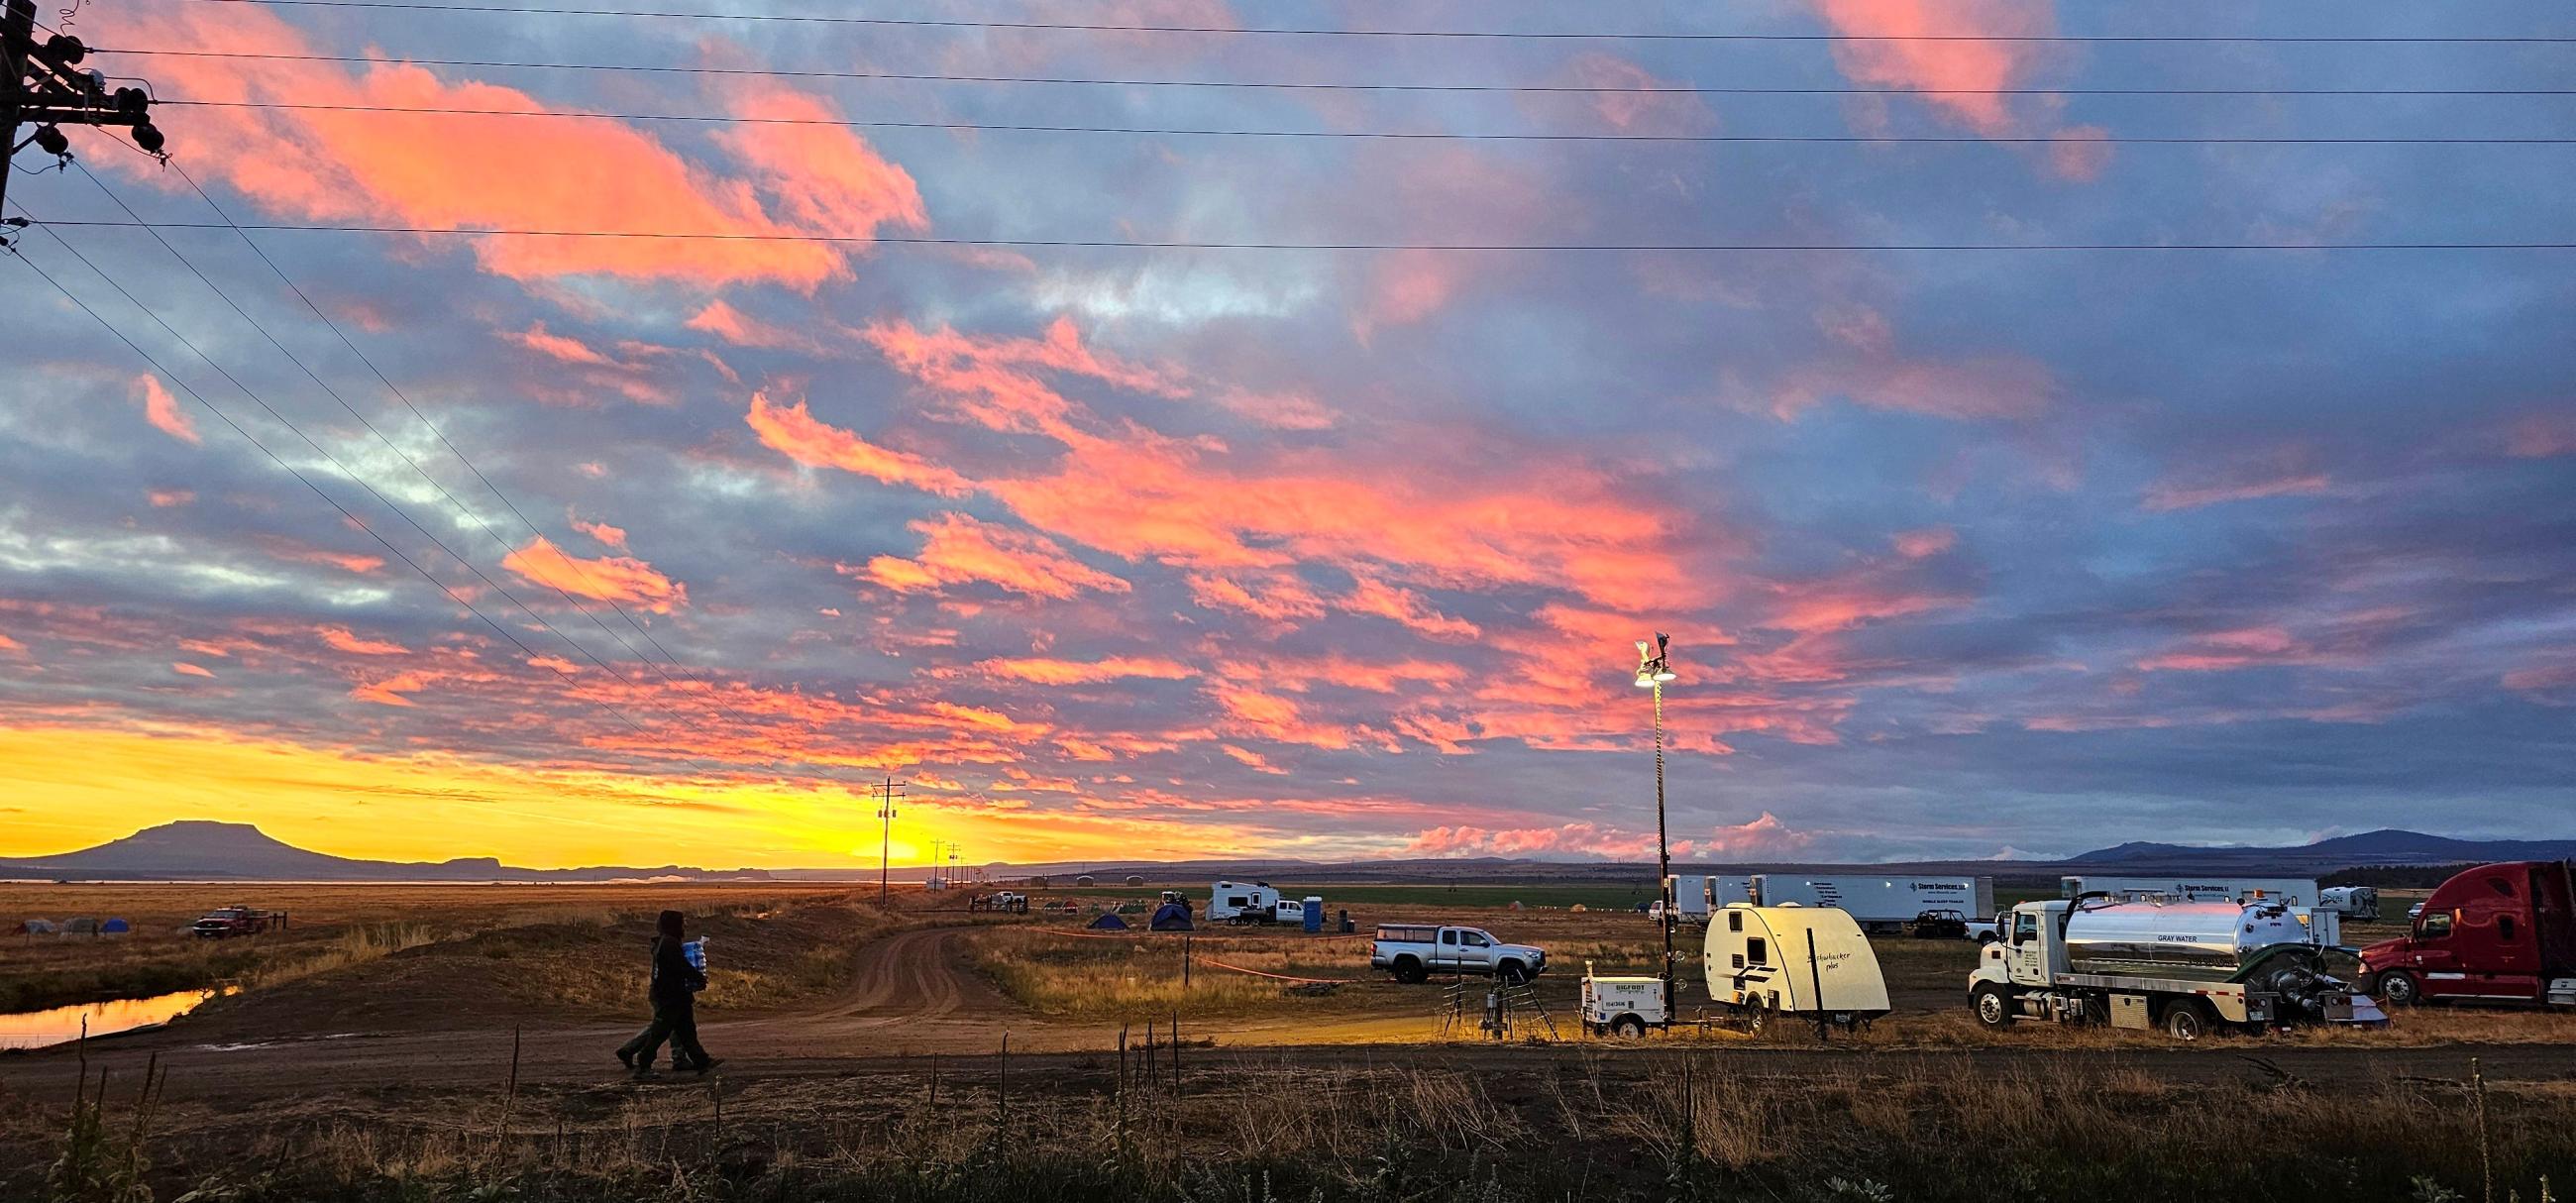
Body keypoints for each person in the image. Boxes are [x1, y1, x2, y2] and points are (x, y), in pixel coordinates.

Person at [615, 910, 718, 1076]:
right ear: (674, 924)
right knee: (659, 1033)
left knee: (686, 1031)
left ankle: (701, 1061)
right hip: (670, 997)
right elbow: (681, 967)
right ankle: (643, 1066)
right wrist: (699, 978)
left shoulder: (666, 942)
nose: (684, 925)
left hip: (676, 996)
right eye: (682, 922)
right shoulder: (669, 944)